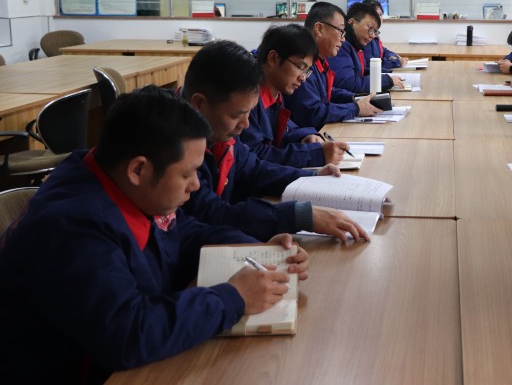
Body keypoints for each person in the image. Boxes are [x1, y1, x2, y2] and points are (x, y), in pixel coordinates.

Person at [0, 86, 309, 384]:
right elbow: (129, 334)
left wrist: (254, 249)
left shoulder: (115, 178)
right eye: (187, 174)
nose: (196, 185)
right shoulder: (73, 227)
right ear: (138, 170)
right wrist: (234, 298)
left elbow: (181, 232)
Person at [180, 40, 370, 242]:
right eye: (237, 115)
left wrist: (311, 177)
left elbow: (253, 170)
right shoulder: (176, 145)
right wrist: (297, 215)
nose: (245, 124)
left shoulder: (217, 130)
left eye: (249, 113)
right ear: (199, 104)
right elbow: (211, 213)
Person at [240, 23, 349, 168]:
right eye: (300, 67)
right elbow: (256, 156)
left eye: (307, 71)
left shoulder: (276, 94)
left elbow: (286, 127)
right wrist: (314, 155)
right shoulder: (247, 99)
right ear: (273, 58)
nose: (303, 78)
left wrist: (306, 136)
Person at [284, 1, 381, 129]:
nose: (343, 39)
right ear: (319, 29)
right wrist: (355, 108)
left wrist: (356, 98)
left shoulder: (320, 60)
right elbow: (311, 113)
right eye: (341, 31)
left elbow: (327, 92)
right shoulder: (301, 63)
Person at [327, 2, 405, 93]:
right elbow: (348, 83)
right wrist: (386, 80)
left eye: (375, 31)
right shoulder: (341, 46)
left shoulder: (355, 45)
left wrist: (389, 74)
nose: (372, 36)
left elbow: (360, 72)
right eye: (370, 28)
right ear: (352, 22)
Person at [362, 0, 408, 69]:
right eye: (376, 15)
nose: (380, 18)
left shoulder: (374, 36)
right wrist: (397, 62)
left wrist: (394, 56)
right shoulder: (365, 38)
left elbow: (383, 52)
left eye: (381, 15)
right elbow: (373, 65)